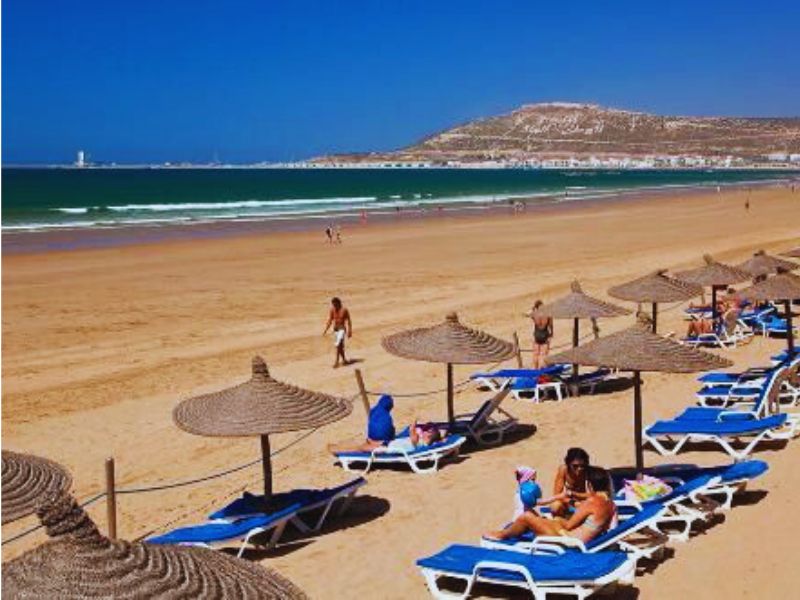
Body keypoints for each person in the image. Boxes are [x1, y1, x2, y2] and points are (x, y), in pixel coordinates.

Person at [486, 466, 616, 543]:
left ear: (590, 485)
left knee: (526, 517)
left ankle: (502, 535)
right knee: (554, 520)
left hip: (567, 542)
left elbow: (569, 525)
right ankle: (534, 525)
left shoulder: (591, 503)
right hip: (580, 539)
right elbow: (612, 528)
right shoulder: (611, 505)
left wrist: (556, 522)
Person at [327, 394, 394, 454]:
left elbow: (371, 424)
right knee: (359, 448)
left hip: (372, 439)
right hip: (381, 441)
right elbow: (389, 430)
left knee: (358, 447)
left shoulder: (374, 410)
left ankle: (339, 449)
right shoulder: (387, 416)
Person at [548, 447, 591, 518]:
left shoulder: (589, 472)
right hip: (569, 502)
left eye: (582, 466)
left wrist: (576, 496)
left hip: (585, 502)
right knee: (555, 506)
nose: (579, 469)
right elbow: (557, 495)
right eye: (575, 466)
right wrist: (573, 502)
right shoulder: (563, 470)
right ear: (568, 464)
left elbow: (594, 495)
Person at [322, 297, 352, 367]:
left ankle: (336, 361)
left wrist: (350, 330)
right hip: (336, 329)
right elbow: (330, 320)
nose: (334, 306)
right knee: (340, 346)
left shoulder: (344, 310)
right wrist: (326, 330)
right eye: (333, 305)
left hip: (342, 329)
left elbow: (349, 321)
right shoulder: (332, 310)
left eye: (335, 305)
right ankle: (344, 360)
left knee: (338, 345)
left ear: (339, 303)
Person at [529, 300, 553, 369]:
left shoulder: (535, 315)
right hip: (545, 334)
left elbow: (528, 314)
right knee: (543, 354)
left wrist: (533, 309)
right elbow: (551, 326)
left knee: (535, 354)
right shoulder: (548, 315)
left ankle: (535, 369)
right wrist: (551, 334)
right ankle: (541, 370)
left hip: (537, 335)